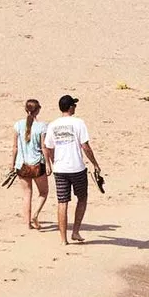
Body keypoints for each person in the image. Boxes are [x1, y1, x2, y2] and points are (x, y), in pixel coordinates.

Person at [43, 96, 100, 247]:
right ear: (70, 107)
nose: (75, 107)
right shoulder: (78, 123)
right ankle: (75, 231)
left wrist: (54, 162)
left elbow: (49, 147)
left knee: (62, 202)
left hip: (60, 169)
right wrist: (95, 163)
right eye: (74, 105)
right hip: (77, 168)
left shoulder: (53, 125)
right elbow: (85, 146)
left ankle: (63, 239)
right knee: (82, 198)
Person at [10, 98, 49, 232]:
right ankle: (35, 214)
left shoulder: (18, 125)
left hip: (22, 164)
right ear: (37, 110)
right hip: (37, 164)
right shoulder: (42, 126)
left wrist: (12, 164)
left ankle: (27, 223)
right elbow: (44, 147)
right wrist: (49, 164)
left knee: (27, 194)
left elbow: (15, 147)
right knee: (43, 192)